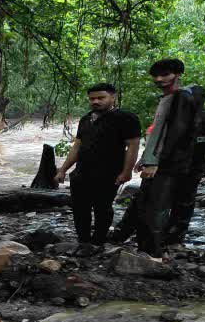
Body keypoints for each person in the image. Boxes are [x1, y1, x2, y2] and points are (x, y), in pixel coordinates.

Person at [54, 83, 141, 252]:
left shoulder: (126, 118)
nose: (95, 101)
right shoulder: (86, 119)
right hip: (81, 172)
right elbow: (77, 146)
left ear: (113, 97)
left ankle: (99, 241)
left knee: (103, 208)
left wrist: (126, 172)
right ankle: (84, 241)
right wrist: (63, 169)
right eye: (92, 98)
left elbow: (133, 146)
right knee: (80, 209)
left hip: (108, 172)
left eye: (101, 98)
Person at [135, 58, 200, 260]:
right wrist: (146, 158)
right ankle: (149, 248)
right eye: (156, 75)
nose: (159, 79)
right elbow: (158, 133)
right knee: (148, 204)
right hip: (165, 161)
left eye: (165, 74)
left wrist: (156, 161)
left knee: (156, 207)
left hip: (166, 164)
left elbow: (175, 135)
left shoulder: (180, 98)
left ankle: (153, 252)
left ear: (177, 74)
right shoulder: (169, 98)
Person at [166, 85, 205, 245]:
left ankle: (176, 235)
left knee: (185, 200)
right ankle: (171, 233)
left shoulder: (204, 118)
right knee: (178, 199)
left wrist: (198, 166)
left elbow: (203, 145)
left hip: (190, 166)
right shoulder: (180, 115)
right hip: (179, 165)